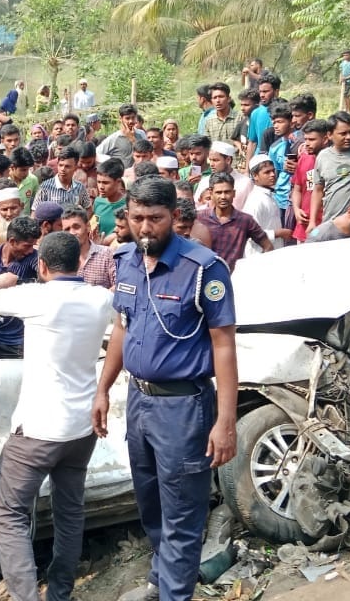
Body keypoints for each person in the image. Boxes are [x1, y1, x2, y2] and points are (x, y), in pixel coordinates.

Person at [91, 177, 238, 601]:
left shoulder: (203, 269)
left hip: (183, 408)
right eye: (137, 218)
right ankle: (161, 581)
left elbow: (224, 344)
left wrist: (225, 421)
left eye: (154, 218)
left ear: (173, 216)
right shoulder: (127, 260)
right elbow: (122, 328)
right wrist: (104, 389)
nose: (145, 227)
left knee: (182, 513)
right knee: (151, 502)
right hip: (139, 402)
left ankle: (176, 594)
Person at [0, 232, 113, 601]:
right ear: (80, 262)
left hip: (38, 428)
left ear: (43, 265)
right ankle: (60, 592)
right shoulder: (101, 298)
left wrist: (4, 280)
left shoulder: (36, 297)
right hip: (82, 426)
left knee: (9, 514)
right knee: (69, 511)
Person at [0, 217, 41, 358]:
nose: (31, 251)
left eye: (33, 245)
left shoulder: (34, 259)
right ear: (12, 241)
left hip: (19, 341)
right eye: (27, 246)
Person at [60, 206, 115, 289]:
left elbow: (118, 285)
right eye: (67, 229)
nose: (72, 233)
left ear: (88, 227)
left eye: (76, 227)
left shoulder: (108, 254)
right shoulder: (61, 259)